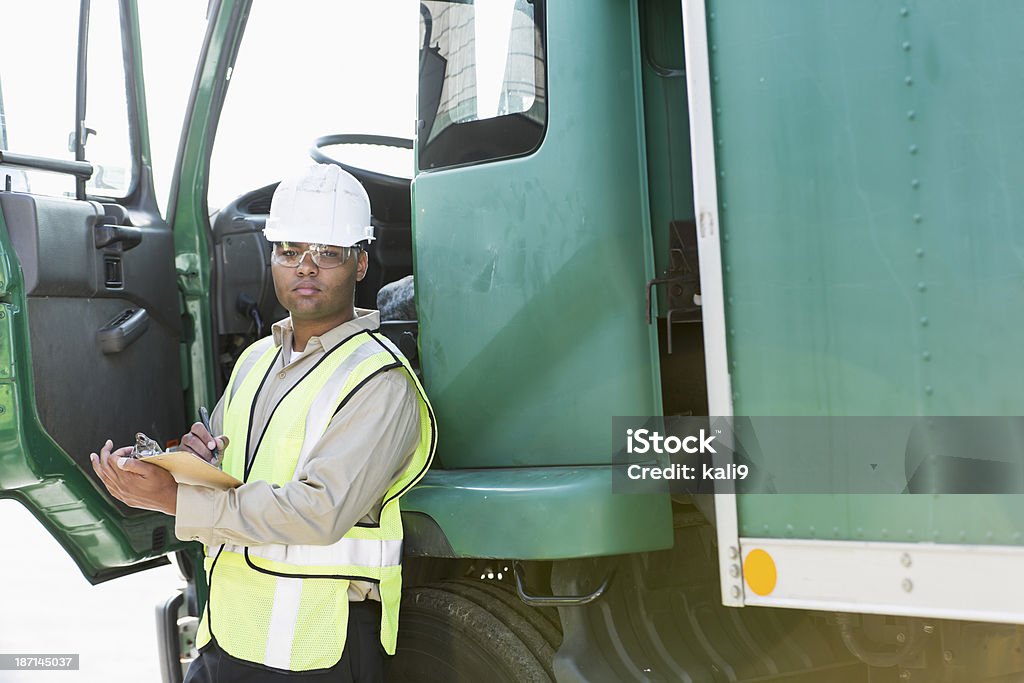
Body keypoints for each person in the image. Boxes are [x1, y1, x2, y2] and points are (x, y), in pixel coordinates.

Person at [90, 164, 436, 682]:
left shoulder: (379, 381)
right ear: (271, 258)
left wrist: (173, 499)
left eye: (328, 253)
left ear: (361, 264)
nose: (306, 268)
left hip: (316, 654)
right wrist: (190, 465)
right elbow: (233, 484)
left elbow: (319, 510)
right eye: (290, 251)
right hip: (227, 636)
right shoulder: (255, 361)